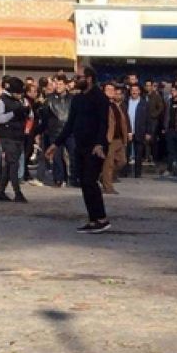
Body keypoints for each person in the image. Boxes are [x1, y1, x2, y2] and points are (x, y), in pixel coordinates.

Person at [46, 67, 111, 233]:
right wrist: (56, 144)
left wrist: (99, 144)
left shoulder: (100, 98)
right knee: (83, 182)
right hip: (80, 145)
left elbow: (104, 123)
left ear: (88, 79)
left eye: (79, 77)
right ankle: (93, 219)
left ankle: (102, 218)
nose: (75, 80)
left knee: (90, 181)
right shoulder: (77, 99)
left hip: (95, 147)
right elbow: (70, 125)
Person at [0, 76, 31, 203]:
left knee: (10, 164)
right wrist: (14, 113)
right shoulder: (1, 101)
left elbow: (29, 115)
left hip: (18, 135)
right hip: (7, 136)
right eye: (18, 92)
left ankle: (1, 191)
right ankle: (17, 192)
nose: (20, 95)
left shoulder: (20, 100)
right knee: (13, 164)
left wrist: (27, 110)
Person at [38, 74, 73, 187]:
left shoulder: (73, 98)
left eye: (61, 84)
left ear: (66, 85)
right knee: (57, 157)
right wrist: (43, 131)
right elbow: (45, 117)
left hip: (70, 131)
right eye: (56, 84)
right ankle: (59, 178)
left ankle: (74, 177)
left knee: (74, 155)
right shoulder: (49, 99)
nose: (58, 86)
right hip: (55, 131)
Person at [101, 83, 130, 195]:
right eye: (108, 89)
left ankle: (103, 177)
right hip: (109, 138)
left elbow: (123, 122)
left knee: (122, 161)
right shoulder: (102, 104)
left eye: (112, 89)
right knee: (108, 164)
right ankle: (108, 187)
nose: (110, 91)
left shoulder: (116, 105)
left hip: (119, 138)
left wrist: (125, 136)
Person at [123, 83, 150, 178]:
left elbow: (148, 119)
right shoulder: (125, 102)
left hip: (140, 131)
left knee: (139, 154)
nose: (134, 92)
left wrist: (148, 132)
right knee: (126, 153)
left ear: (139, 91)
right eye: (132, 90)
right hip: (128, 131)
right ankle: (124, 172)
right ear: (130, 91)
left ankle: (137, 173)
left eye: (136, 90)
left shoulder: (144, 103)